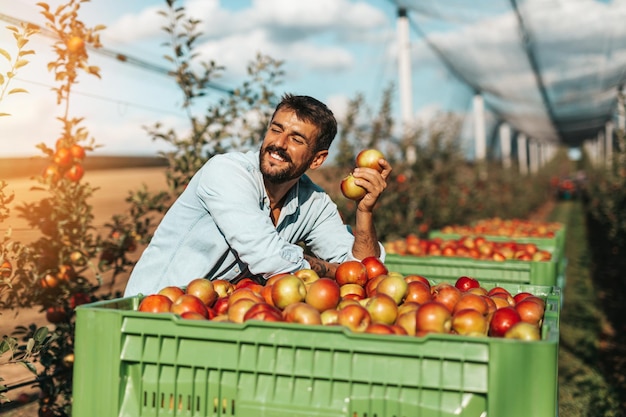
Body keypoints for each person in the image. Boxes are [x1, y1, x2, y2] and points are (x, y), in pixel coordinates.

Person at [124, 94, 392, 296]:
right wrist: (334, 271)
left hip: (212, 317)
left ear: (317, 159)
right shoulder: (226, 172)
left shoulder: (313, 203)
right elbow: (267, 257)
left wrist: (364, 211)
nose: (279, 144)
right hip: (151, 310)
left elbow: (365, 271)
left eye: (297, 139)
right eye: (276, 129)